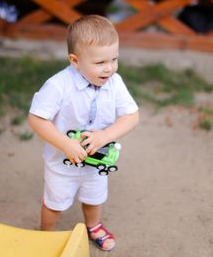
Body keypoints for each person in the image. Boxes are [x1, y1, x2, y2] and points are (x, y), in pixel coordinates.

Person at [28, 14, 139, 252]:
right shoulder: (58, 86)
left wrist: (105, 135)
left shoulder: (114, 83)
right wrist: (65, 144)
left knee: (94, 197)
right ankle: (46, 235)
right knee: (55, 202)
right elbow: (37, 118)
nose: (109, 68)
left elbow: (132, 116)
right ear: (75, 61)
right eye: (100, 63)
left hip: (97, 159)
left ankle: (94, 225)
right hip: (62, 162)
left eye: (114, 59)